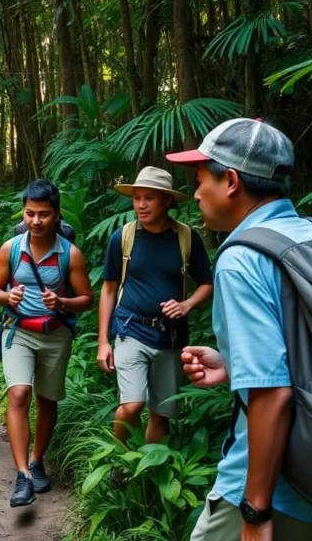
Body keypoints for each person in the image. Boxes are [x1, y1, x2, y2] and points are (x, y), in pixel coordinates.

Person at [166, 119, 312, 541]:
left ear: (230, 181)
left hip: (288, 491)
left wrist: (255, 512)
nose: (194, 194)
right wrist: (233, 364)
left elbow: (273, 393)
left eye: (198, 180)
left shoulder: (241, 257)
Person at [0, 180, 94, 507]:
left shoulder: (70, 254)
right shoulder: (11, 249)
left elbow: (87, 299)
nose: (36, 221)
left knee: (47, 401)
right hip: (18, 330)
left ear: (56, 215)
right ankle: (22, 476)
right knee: (19, 393)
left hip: (55, 333)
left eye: (44, 215)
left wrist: (62, 303)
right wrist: (9, 295)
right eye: (30, 213)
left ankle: (37, 461)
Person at [96, 167, 213, 448]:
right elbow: (109, 289)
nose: (141, 205)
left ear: (167, 201)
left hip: (171, 337)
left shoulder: (186, 238)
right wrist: (103, 341)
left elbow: (207, 283)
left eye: (149, 198)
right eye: (136, 198)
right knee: (133, 404)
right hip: (130, 328)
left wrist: (187, 304)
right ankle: (120, 462)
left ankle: (148, 473)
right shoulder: (122, 237)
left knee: (161, 414)